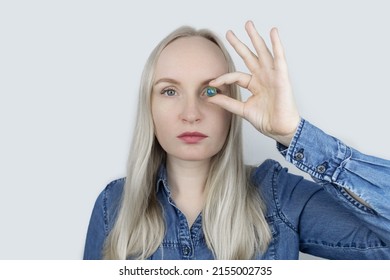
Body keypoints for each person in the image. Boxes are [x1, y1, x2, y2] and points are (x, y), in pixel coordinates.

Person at [83, 20, 390, 260]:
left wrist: (295, 134)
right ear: (148, 105)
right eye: (169, 91)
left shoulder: (278, 195)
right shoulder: (114, 204)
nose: (191, 113)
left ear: (233, 105)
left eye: (211, 91)